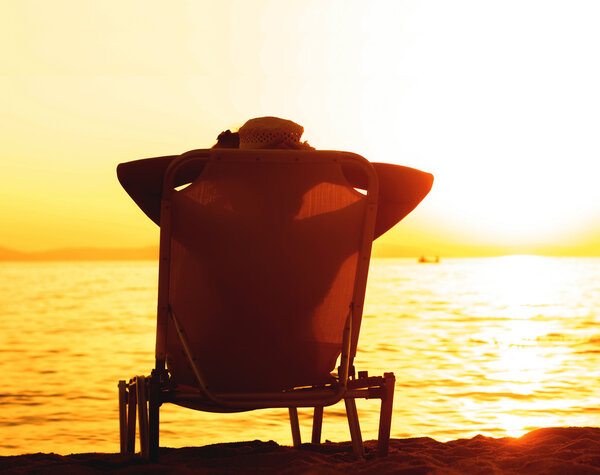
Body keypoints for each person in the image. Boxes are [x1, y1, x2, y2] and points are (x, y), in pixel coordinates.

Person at [117, 116, 434, 240]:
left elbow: (131, 175)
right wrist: (323, 169)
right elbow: (417, 184)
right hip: (307, 370)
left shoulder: (206, 230)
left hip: (211, 375)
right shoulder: (332, 233)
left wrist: (218, 166)